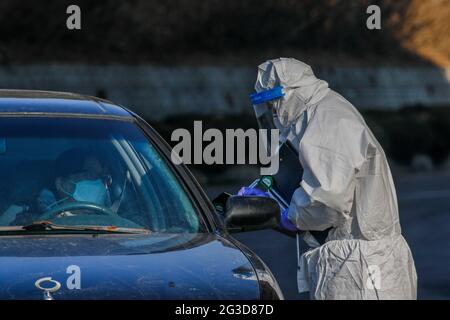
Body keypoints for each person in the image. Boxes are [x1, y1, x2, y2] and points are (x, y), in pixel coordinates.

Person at [250, 58, 417, 300]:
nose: (273, 112)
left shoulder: (326, 120)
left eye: (273, 103)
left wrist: (287, 214)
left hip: (360, 267)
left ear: (288, 95)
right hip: (356, 261)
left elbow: (328, 198)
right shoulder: (321, 112)